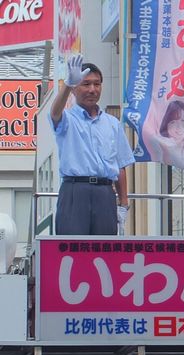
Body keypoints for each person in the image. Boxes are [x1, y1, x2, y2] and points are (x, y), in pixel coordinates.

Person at [48, 54, 135, 235]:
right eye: (85, 84)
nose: (92, 89)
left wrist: (123, 203)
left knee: (104, 251)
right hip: (74, 191)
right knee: (73, 250)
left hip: (105, 192)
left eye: (97, 84)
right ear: (74, 89)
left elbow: (120, 166)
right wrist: (67, 84)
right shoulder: (67, 119)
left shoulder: (112, 123)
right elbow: (55, 113)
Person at [156, 100, 184, 169]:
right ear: (165, 125)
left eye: (183, 120)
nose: (179, 126)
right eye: (173, 122)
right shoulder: (162, 147)